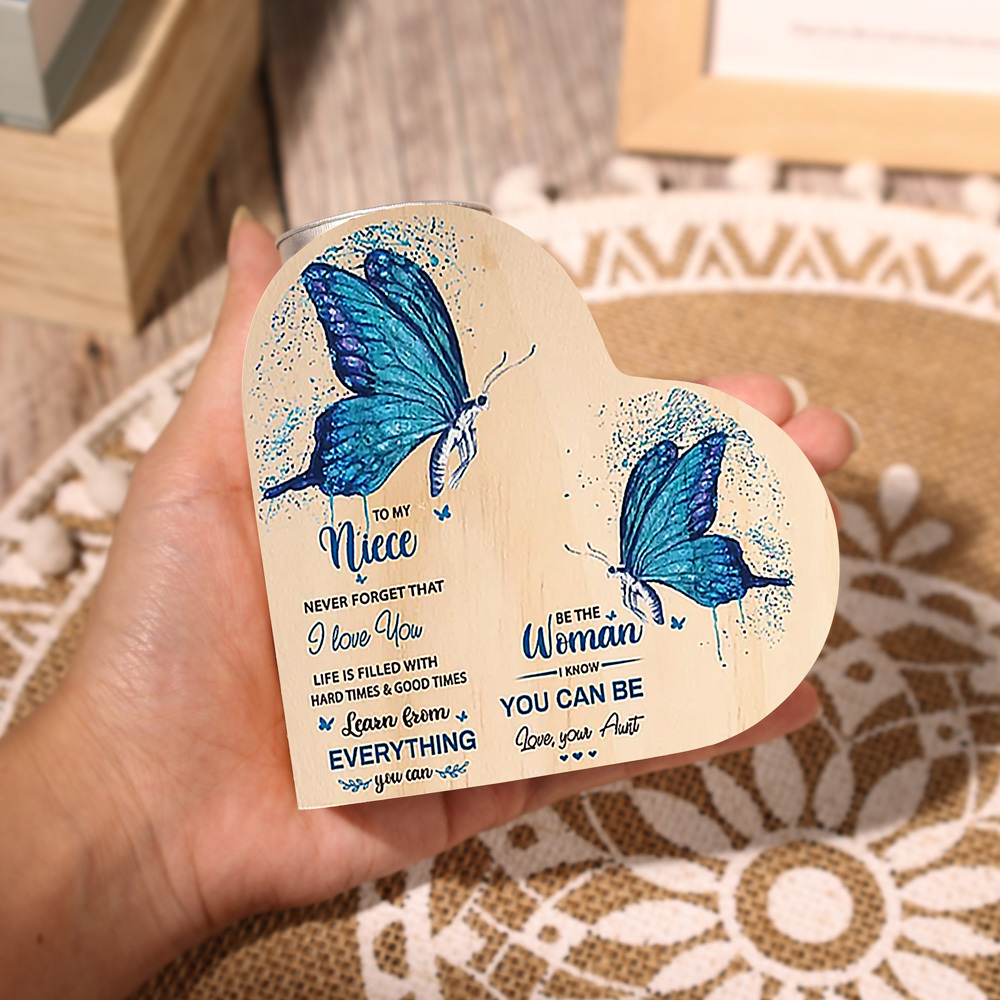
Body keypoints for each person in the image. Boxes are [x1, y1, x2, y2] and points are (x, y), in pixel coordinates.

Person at [0, 209, 858, 999]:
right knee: (351, 471)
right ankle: (750, 582)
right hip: (384, 517)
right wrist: (138, 782)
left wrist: (133, 808)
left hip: (487, 601)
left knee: (697, 569)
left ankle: (755, 583)